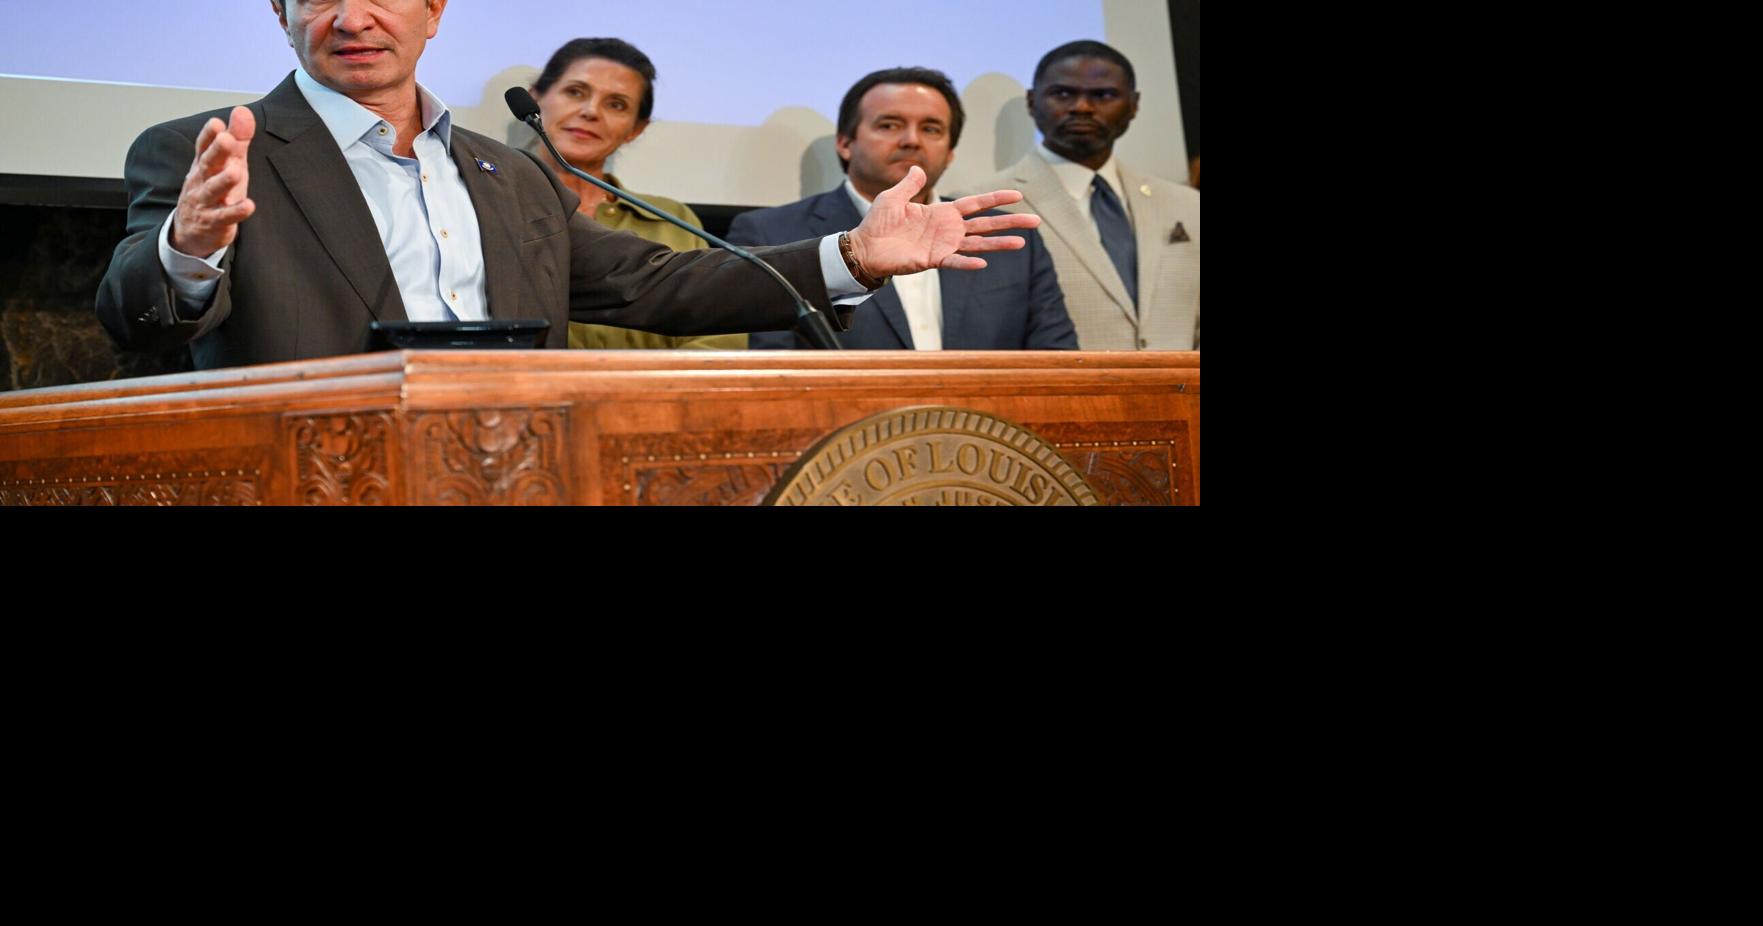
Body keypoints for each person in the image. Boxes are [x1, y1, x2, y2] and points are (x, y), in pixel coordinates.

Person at [94, 0, 1041, 369]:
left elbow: (660, 285)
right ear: (280, 11)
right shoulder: (204, 151)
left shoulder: (508, 173)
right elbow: (132, 317)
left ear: (433, 10)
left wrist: (851, 257)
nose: (352, 16)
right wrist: (190, 250)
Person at [729, 67, 1075, 351]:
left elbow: (1057, 360)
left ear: (950, 153)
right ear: (845, 143)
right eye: (889, 125)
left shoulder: (1011, 241)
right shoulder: (771, 234)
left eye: (931, 129)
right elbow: (770, 368)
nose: (912, 140)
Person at [961, 40, 1199, 351]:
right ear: (1032, 102)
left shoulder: (1187, 204)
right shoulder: (982, 207)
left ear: (1134, 105)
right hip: (1056, 382)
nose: (1082, 107)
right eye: (1063, 94)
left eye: (1103, 95)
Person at [526, 37, 741, 350]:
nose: (590, 111)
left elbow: (721, 331)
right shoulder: (487, 203)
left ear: (636, 129)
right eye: (575, 92)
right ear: (535, 98)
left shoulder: (672, 220)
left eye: (616, 104)